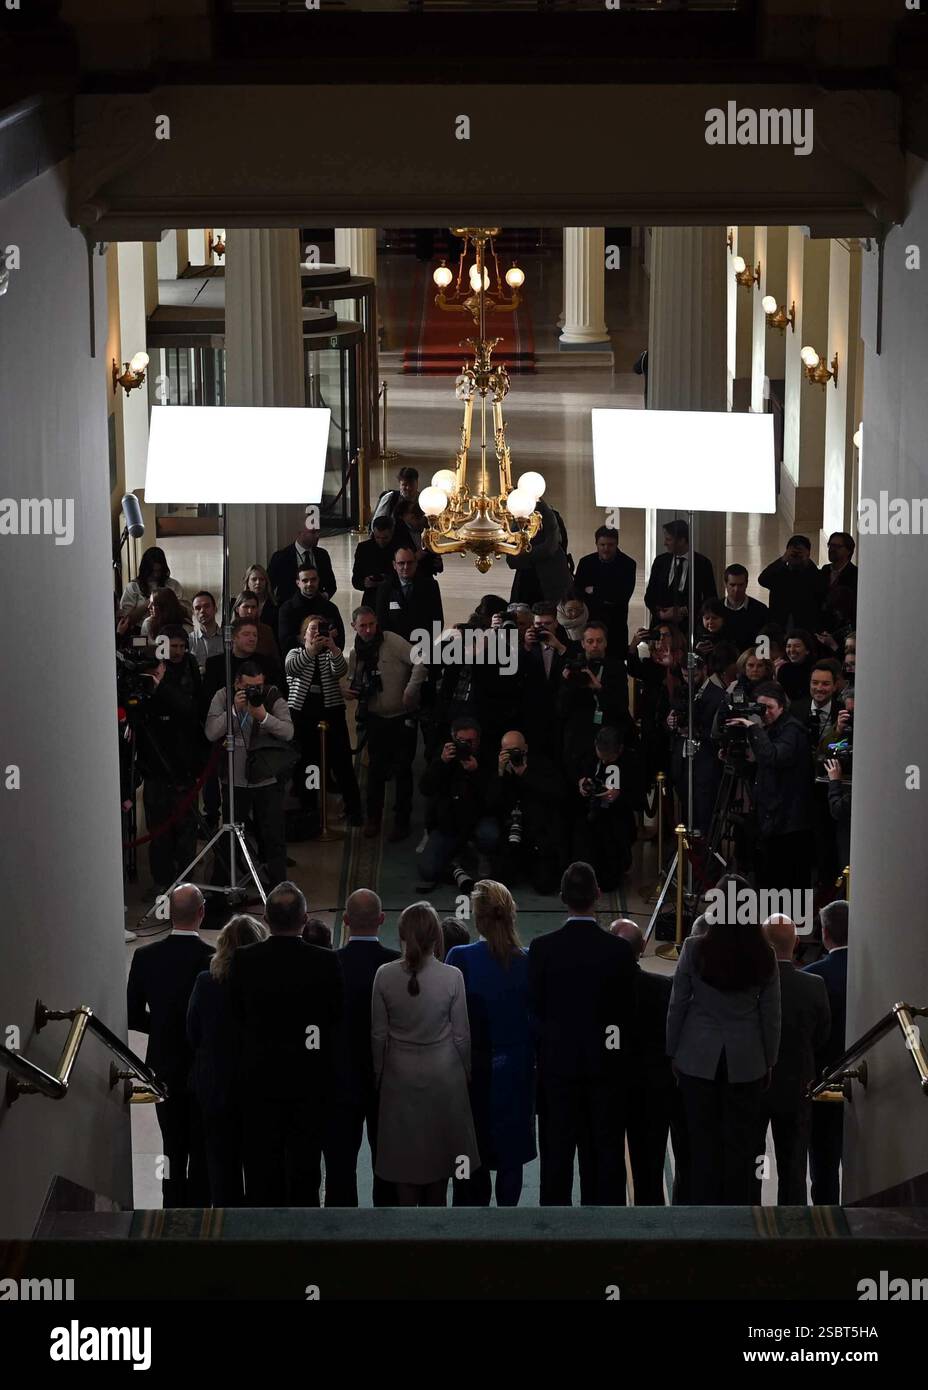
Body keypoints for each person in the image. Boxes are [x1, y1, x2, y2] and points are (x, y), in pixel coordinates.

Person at [228, 882, 344, 1207]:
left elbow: (236, 1017)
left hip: (258, 1080)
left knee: (262, 1170)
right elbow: (334, 1018)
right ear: (305, 919)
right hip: (308, 1082)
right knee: (305, 1170)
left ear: (265, 918)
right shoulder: (325, 962)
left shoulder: (244, 960)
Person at [666, 880, 781, 1204]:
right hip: (746, 1060)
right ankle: (738, 1215)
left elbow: (678, 1004)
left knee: (702, 1143)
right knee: (740, 1144)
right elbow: (770, 1015)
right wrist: (769, 1059)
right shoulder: (764, 954)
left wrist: (672, 1050)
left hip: (697, 1057)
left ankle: (703, 1214)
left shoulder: (694, 948)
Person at [528, 861, 636, 1205]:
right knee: (603, 1163)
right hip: (605, 1073)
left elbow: (536, 1009)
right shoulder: (618, 951)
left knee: (556, 1165)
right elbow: (625, 1016)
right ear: (599, 896)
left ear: (562, 897)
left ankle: (553, 1241)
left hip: (557, 1072)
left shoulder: (543, 948)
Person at [371, 901, 479, 1206]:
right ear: (436, 937)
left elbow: (378, 1034)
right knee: (440, 1162)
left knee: (405, 1165)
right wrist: (466, 1072)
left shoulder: (384, 974)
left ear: (402, 935)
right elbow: (461, 1035)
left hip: (399, 1076)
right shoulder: (452, 976)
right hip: (444, 1077)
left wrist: (379, 1073)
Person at [447, 881, 536, 1207]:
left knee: (473, 1160)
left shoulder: (460, 956)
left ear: (478, 918)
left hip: (474, 1074)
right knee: (511, 1160)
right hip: (516, 1073)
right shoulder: (527, 961)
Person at [126, 884, 213, 1207]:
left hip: (162, 1066)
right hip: (202, 1066)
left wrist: (162, 1027)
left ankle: (169, 1218)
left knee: (171, 1149)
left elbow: (133, 1015)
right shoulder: (213, 959)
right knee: (202, 1150)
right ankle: (204, 1220)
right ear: (202, 912)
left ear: (167, 913)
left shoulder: (145, 957)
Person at [323, 889, 400, 1208]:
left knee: (340, 1169)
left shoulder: (329, 964)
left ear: (346, 920)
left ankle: (341, 1239)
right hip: (388, 1079)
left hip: (340, 1079)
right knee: (388, 1168)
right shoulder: (395, 964)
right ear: (382, 920)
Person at [186, 913, 267, 1207]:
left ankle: (225, 1237)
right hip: (257, 1089)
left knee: (221, 1171)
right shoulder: (264, 986)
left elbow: (193, 1032)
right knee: (259, 1170)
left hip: (216, 1087)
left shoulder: (207, 982)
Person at [759, 915, 831, 1205]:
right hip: (798, 1083)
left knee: (751, 1159)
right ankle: (793, 1228)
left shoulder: (754, 984)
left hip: (758, 1082)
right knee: (794, 1165)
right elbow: (822, 1035)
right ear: (797, 942)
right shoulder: (814, 985)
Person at [204, 658, 294, 887]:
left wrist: (264, 716)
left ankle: (278, 887)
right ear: (237, 684)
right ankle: (224, 883)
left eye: (258, 687)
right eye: (249, 688)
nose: (255, 691)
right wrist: (234, 710)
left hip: (266, 778)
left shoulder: (272, 696)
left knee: (273, 834)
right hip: (234, 779)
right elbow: (211, 732)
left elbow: (288, 731)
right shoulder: (223, 697)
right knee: (230, 835)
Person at [345, 606, 426, 841]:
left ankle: (402, 821)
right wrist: (347, 691)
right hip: (375, 720)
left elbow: (421, 660)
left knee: (403, 770)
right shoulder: (356, 653)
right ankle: (373, 818)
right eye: (363, 626)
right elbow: (353, 681)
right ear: (354, 627)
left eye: (372, 624)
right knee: (376, 772)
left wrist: (411, 689)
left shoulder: (392, 641)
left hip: (402, 718)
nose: (369, 630)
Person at [610, 919, 675, 1206]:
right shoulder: (663, 987)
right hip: (654, 1090)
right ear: (642, 948)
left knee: (608, 1171)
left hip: (611, 1088)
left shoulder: (601, 991)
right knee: (650, 1171)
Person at [724, 680, 813, 891]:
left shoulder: (792, 730)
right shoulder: (770, 729)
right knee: (768, 880)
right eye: (761, 708)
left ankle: (788, 923)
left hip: (789, 824)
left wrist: (753, 728)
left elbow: (773, 757)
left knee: (786, 883)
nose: (766, 713)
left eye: (770, 707)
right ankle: (768, 921)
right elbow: (762, 770)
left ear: (782, 706)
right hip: (770, 818)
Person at [139, 627, 207, 893]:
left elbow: (190, 709)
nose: (176, 652)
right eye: (171, 646)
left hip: (184, 765)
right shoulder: (148, 671)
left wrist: (162, 686)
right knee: (159, 831)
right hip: (155, 766)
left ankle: (186, 886)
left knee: (186, 830)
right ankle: (161, 884)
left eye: (181, 646)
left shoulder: (189, 671)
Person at [285, 615, 362, 827]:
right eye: (312, 629)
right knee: (308, 764)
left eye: (321, 629)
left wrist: (334, 648)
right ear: (304, 634)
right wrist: (311, 651)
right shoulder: (295, 653)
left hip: (331, 711)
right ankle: (310, 808)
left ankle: (353, 808)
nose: (316, 633)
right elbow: (292, 669)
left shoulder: (331, 654)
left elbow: (340, 670)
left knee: (342, 761)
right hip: (302, 714)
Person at [802, 899, 849, 1204]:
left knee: (824, 1162)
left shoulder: (813, 976)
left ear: (825, 933)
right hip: (870, 1076)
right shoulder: (876, 971)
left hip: (824, 1078)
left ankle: (825, 1221)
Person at [418, 717, 499, 893]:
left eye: (470, 742)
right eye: (460, 741)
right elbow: (425, 788)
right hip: (449, 823)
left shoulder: (487, 758)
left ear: (478, 741)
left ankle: (478, 852)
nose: (465, 746)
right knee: (428, 870)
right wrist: (441, 763)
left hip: (478, 820)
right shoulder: (445, 755)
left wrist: (476, 773)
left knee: (490, 835)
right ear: (453, 739)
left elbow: (494, 799)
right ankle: (455, 862)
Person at [486, 729, 567, 895]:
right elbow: (490, 804)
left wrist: (525, 773)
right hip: (511, 831)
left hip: (538, 831)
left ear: (526, 749)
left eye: (516, 750)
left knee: (546, 885)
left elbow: (558, 793)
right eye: (507, 752)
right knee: (500, 881)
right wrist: (501, 775)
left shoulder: (542, 765)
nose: (513, 755)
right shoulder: (500, 771)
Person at [572, 722, 643, 889]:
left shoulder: (631, 761)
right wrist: (581, 782)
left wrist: (620, 794)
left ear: (619, 749)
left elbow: (639, 799)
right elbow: (575, 772)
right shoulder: (588, 756)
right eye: (601, 755)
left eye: (608, 757)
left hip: (617, 820)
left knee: (609, 881)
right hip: (589, 815)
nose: (603, 760)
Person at [557, 619, 629, 781]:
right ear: (583, 643)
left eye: (599, 641)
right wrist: (568, 683)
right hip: (578, 741)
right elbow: (561, 709)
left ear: (605, 643)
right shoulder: (573, 668)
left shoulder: (616, 668)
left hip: (607, 740)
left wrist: (599, 689)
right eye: (590, 641)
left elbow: (622, 707)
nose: (594, 645)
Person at [572, 525, 637, 650]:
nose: (606, 548)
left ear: (617, 544)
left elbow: (622, 596)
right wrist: (607, 592)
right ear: (596, 544)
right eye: (602, 545)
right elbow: (578, 593)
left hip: (615, 625)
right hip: (589, 622)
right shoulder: (586, 563)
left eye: (610, 545)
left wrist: (595, 590)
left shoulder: (628, 564)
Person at [643, 519, 717, 629]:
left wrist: (684, 611)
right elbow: (649, 596)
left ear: (682, 540)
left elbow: (710, 599)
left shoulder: (702, 563)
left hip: (690, 628)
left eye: (668, 539)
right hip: (660, 626)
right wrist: (660, 613)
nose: (664, 543)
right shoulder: (660, 561)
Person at [201, 617, 282, 710]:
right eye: (246, 634)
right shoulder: (216, 664)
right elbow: (208, 701)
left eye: (255, 635)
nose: (252, 639)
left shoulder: (268, 664)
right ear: (233, 637)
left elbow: (275, 697)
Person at [505, 496, 571, 606]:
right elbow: (511, 560)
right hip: (526, 582)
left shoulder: (550, 517)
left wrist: (525, 555)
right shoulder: (519, 522)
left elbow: (550, 548)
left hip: (552, 580)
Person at [374, 546, 443, 643]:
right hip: (395, 646)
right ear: (394, 565)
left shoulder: (430, 586)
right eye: (401, 563)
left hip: (423, 646)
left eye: (409, 562)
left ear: (416, 563)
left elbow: (437, 621)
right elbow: (382, 622)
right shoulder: (385, 589)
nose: (406, 567)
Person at [758, 535, 826, 632]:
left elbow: (821, 588)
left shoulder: (811, 574)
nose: (796, 557)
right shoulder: (780, 573)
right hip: (779, 623)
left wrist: (807, 561)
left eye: (799, 554)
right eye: (793, 554)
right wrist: (783, 559)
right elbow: (762, 579)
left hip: (805, 626)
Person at [277, 563, 345, 655]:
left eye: (313, 579)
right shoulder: (287, 609)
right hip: (298, 662)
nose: (309, 584)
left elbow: (341, 642)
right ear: (298, 583)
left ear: (318, 580)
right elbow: (285, 643)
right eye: (305, 580)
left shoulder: (331, 608)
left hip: (326, 661)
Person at [268, 520, 337, 605]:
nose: (317, 536)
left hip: (317, 608)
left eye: (318, 532)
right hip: (291, 610)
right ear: (299, 533)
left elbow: (331, 585)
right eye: (313, 532)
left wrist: (324, 596)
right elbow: (269, 585)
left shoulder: (322, 555)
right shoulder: (281, 557)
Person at [119, 546, 186, 623]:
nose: (156, 575)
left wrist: (168, 602)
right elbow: (126, 620)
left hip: (168, 628)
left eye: (159, 571)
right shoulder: (133, 587)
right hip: (139, 630)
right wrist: (151, 601)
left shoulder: (173, 584)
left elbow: (186, 612)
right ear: (145, 570)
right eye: (153, 571)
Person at [721, 564, 769, 651]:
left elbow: (764, 642)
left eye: (740, 585)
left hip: (751, 661)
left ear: (746, 584)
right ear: (725, 584)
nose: (736, 589)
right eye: (732, 585)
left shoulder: (760, 610)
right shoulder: (717, 608)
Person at [230, 590, 279, 665]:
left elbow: (275, 658)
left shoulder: (266, 630)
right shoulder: (229, 630)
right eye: (246, 607)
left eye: (253, 607)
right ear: (237, 609)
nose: (250, 611)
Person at [351, 514, 397, 593]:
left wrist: (389, 580)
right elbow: (356, 580)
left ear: (392, 533)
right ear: (373, 533)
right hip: (372, 595)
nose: (381, 541)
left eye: (385, 538)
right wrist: (364, 583)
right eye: (377, 537)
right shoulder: (364, 549)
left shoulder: (400, 548)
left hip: (394, 594)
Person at [370, 465, 419, 530]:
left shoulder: (424, 499)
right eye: (404, 485)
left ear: (417, 483)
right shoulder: (390, 498)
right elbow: (377, 524)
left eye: (411, 484)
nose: (408, 488)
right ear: (399, 484)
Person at [775, 628, 817, 701]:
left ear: (807, 650)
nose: (792, 650)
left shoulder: (816, 670)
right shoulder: (783, 670)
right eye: (788, 646)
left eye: (797, 646)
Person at [188, 590, 224, 673]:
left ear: (215, 609)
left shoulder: (227, 638)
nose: (202, 611)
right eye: (198, 608)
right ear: (193, 613)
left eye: (206, 606)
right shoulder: (190, 640)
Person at [242, 563, 279, 634]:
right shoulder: (240, 604)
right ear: (247, 582)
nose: (258, 582)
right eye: (254, 579)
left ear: (266, 582)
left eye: (261, 579)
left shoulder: (275, 605)